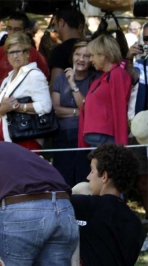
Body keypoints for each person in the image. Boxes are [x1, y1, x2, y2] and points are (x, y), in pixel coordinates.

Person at [0, 33, 52, 151]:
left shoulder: (34, 75)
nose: (15, 56)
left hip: (25, 140)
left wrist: (18, 107)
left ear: (27, 53)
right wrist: (1, 111)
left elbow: (45, 106)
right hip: (3, 139)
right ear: (7, 56)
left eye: (19, 51)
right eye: (11, 52)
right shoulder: (7, 79)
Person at [52, 41, 98, 187]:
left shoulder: (95, 79)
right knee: (63, 181)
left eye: (86, 56)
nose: (81, 59)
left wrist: (73, 84)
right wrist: (76, 112)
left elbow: (88, 108)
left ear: (92, 59)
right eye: (78, 54)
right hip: (62, 136)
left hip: (85, 137)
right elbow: (54, 109)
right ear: (72, 56)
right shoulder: (60, 78)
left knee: (83, 183)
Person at [78, 34, 131, 148]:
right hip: (96, 136)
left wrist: (121, 145)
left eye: (93, 55)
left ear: (104, 56)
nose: (91, 59)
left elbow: (120, 108)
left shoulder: (116, 74)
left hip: (105, 137)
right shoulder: (102, 77)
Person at [0, 12, 49, 93]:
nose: (12, 32)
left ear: (26, 31)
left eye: (16, 29)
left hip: (23, 101)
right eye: (9, 28)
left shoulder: (36, 56)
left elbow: (43, 85)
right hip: (0, 101)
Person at [130, 22, 148, 223]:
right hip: (140, 128)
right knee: (143, 181)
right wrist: (128, 58)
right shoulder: (137, 63)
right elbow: (127, 80)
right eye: (146, 39)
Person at [49, 9, 85, 87]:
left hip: (66, 97)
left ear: (61, 23)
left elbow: (56, 85)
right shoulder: (92, 48)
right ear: (80, 27)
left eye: (54, 25)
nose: (55, 30)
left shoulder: (60, 51)